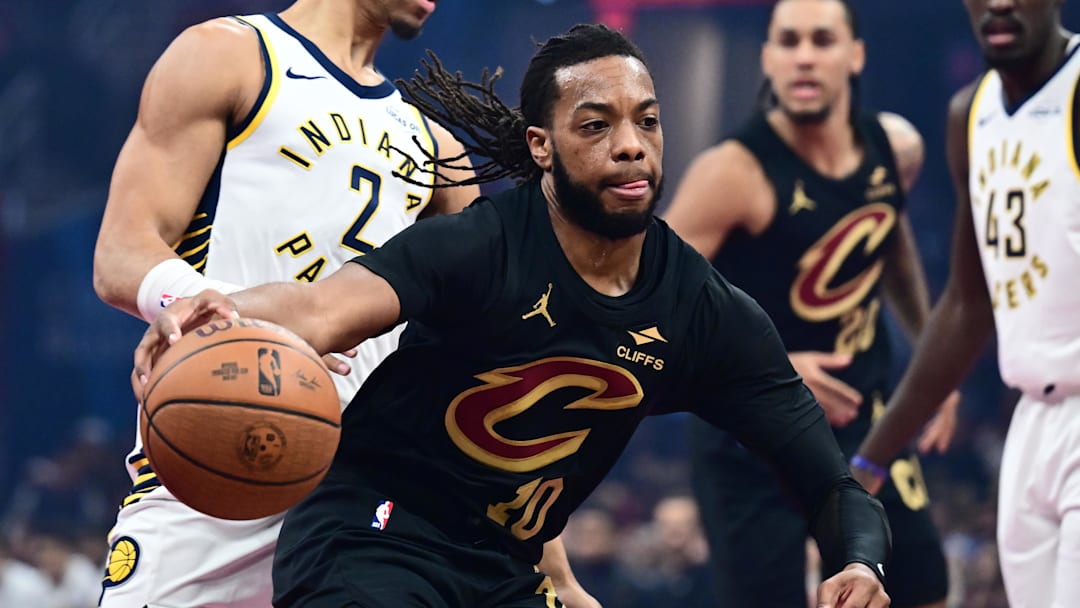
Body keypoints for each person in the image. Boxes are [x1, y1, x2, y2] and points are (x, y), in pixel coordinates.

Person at [134, 23, 893, 608]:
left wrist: (857, 562)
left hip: (503, 569)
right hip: (373, 538)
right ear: (542, 146)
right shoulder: (481, 245)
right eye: (596, 126)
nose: (631, 146)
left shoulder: (704, 310)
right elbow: (318, 308)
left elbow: (830, 485)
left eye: (648, 121)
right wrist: (210, 312)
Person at [91, 1, 483, 606]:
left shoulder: (441, 150)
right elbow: (120, 253)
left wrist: (550, 562)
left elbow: (484, 357)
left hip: (367, 495)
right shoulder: (230, 55)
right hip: (220, 443)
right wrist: (239, 319)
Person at [663, 1, 956, 606]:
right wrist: (773, 370)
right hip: (750, 441)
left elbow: (889, 244)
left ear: (855, 55)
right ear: (768, 56)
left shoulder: (894, 149)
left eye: (822, 40)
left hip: (861, 430)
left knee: (922, 588)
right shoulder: (731, 172)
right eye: (788, 40)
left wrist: (937, 365)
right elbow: (646, 303)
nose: (803, 55)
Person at [850, 0, 1080, 605]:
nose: (998, 3)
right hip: (1031, 421)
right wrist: (871, 461)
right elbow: (966, 304)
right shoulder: (969, 114)